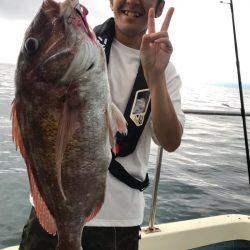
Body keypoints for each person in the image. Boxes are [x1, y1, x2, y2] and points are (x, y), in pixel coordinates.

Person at [19, 0, 185, 249]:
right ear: (110, 2)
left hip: (118, 223)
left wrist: (156, 77)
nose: (131, 1)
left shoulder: (165, 69)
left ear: (159, 7)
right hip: (52, 214)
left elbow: (170, 142)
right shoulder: (81, 39)